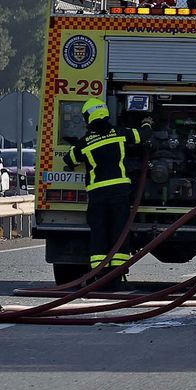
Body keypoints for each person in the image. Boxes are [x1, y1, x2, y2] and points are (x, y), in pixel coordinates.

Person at [65, 98, 144, 276]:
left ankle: (99, 273)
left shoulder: (85, 143)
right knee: (119, 230)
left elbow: (69, 160)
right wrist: (147, 123)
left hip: (97, 194)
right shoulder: (119, 133)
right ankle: (117, 272)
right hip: (120, 192)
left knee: (99, 231)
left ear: (88, 118)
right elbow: (141, 136)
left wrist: (76, 145)